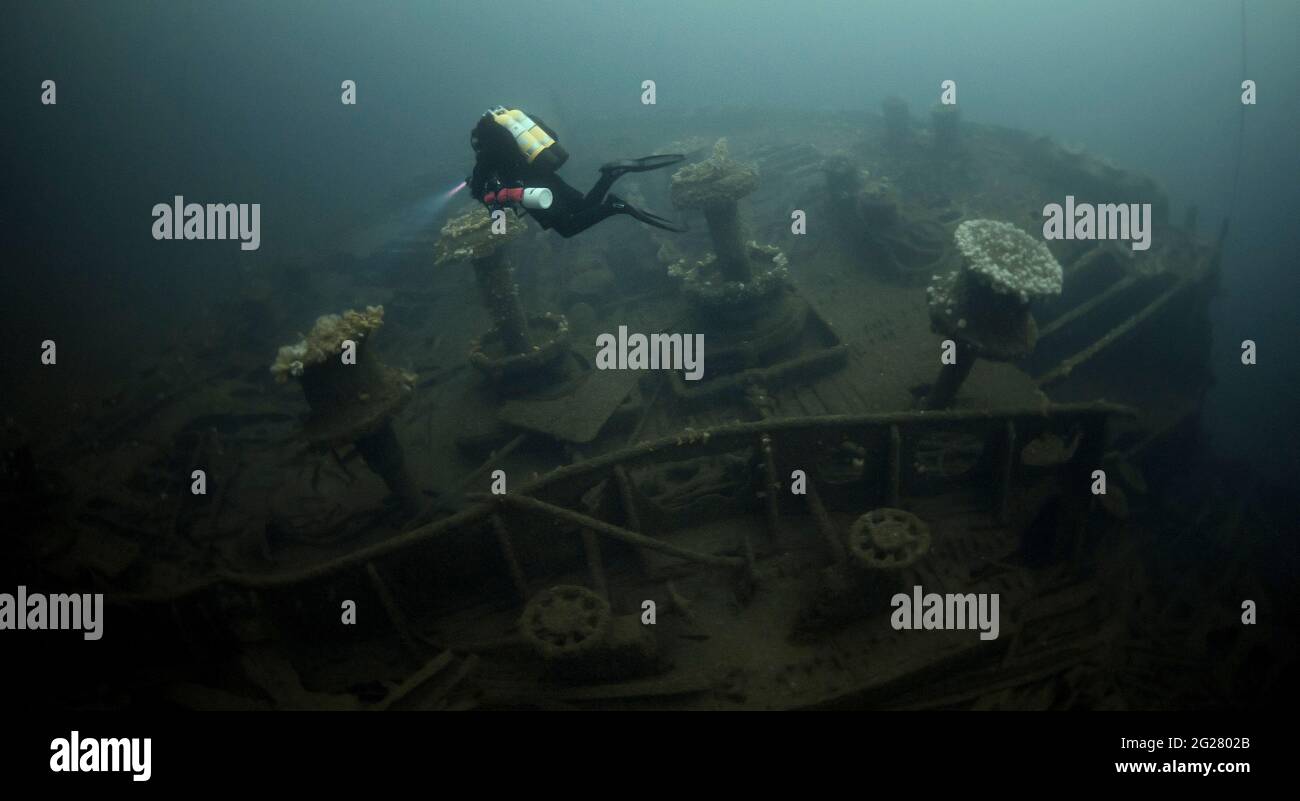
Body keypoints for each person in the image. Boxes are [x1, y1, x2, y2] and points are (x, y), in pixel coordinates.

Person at [468, 106, 686, 237]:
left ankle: (615, 206)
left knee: (567, 228)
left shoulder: (488, 150)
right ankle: (611, 174)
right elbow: (552, 135)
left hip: (534, 193)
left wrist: (477, 187)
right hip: (549, 176)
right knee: (583, 206)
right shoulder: (519, 130)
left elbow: (479, 187)